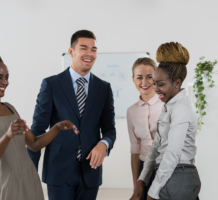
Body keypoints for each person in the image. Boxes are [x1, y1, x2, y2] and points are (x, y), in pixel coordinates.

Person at [0, 53, 78, 200]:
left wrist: (57, 128)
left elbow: (34, 144)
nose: (4, 82)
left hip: (30, 176)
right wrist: (7, 136)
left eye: (6, 77)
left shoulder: (10, 108)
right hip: (8, 181)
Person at [26, 30, 116, 200]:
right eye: (84, 48)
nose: (90, 53)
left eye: (94, 49)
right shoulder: (51, 84)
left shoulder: (104, 88)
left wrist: (104, 144)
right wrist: (29, 171)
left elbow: (110, 129)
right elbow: (37, 129)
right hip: (58, 170)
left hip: (90, 172)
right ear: (71, 51)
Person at [130, 42, 201, 200]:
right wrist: (141, 180)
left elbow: (173, 153)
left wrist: (152, 192)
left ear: (177, 83)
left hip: (180, 177)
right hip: (168, 174)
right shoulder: (169, 105)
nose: (155, 89)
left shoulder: (181, 108)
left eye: (160, 84)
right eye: (155, 84)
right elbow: (157, 146)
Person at [127, 57, 164, 200]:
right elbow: (135, 149)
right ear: (133, 79)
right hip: (144, 171)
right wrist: (136, 185)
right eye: (139, 77)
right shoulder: (131, 111)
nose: (144, 82)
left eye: (149, 77)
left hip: (165, 168)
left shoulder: (167, 106)